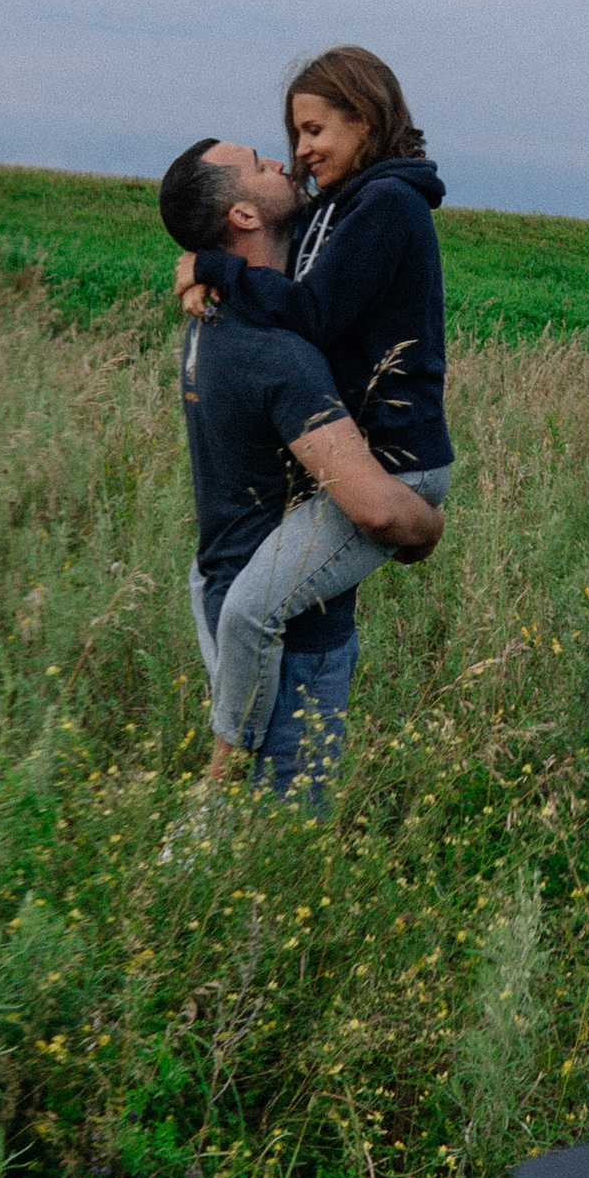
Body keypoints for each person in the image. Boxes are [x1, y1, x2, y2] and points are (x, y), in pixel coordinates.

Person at [171, 45, 454, 754]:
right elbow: (271, 249)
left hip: (396, 466)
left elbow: (314, 311)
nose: (297, 153)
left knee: (250, 610)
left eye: (314, 132)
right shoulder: (344, 205)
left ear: (364, 120)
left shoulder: (387, 205)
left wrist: (213, 268)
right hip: (364, 468)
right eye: (291, 136)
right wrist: (212, 268)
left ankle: (224, 767)